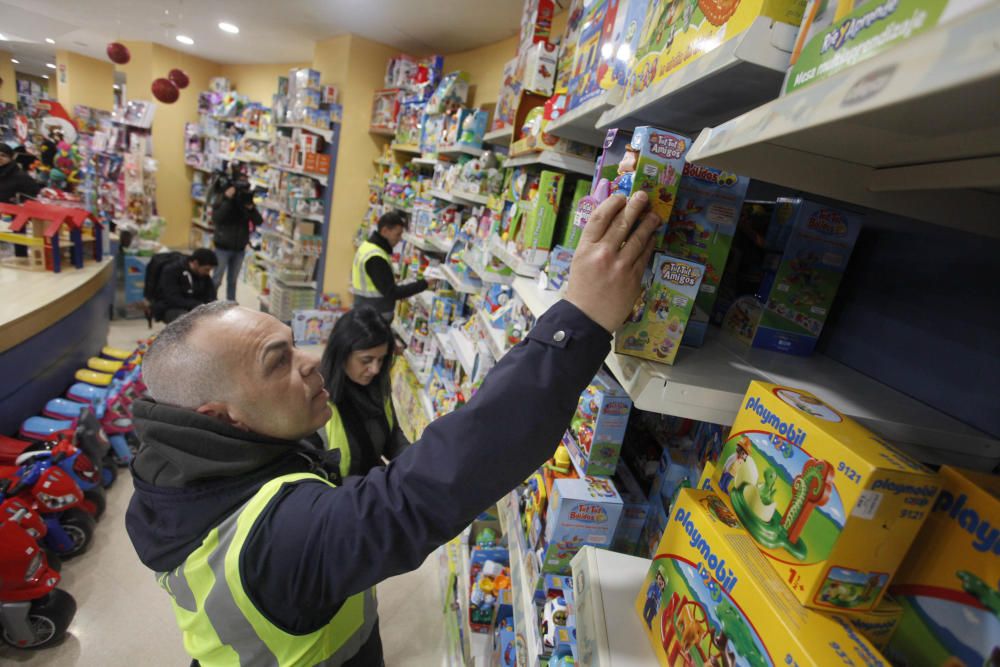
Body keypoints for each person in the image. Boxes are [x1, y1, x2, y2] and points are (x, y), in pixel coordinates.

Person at [126, 191, 659, 666]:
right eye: (277, 361)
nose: (310, 361)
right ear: (220, 417)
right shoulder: (276, 541)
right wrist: (579, 322)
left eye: (293, 344)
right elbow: (421, 492)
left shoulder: (171, 473)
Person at [318, 307, 407, 477]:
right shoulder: (316, 402)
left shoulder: (377, 384)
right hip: (340, 497)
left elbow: (392, 436)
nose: (375, 369)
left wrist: (413, 459)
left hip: (370, 489)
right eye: (366, 360)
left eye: (381, 359)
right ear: (341, 354)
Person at [352, 211, 428, 322]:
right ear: (385, 231)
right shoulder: (375, 257)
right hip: (374, 317)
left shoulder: (367, 246)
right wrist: (424, 284)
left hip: (365, 311)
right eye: (397, 234)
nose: (399, 239)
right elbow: (392, 293)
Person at [212, 179, 263, 301]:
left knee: (233, 280)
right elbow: (217, 219)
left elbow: (259, 221)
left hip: (239, 248)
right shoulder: (222, 199)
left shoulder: (245, 203)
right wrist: (228, 200)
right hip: (222, 248)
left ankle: (231, 306)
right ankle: (209, 305)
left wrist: (250, 208)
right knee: (217, 279)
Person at [152, 248, 219, 324]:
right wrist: (198, 305)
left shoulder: (204, 275)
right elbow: (172, 298)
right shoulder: (171, 271)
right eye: (207, 269)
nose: (208, 273)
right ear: (195, 263)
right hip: (170, 307)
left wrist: (213, 307)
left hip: (195, 307)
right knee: (187, 323)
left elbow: (211, 296)